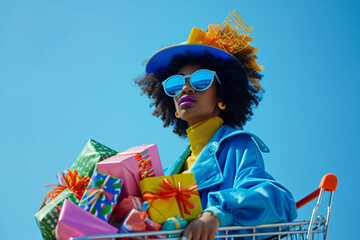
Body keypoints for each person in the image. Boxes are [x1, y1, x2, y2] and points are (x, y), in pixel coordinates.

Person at [136, 10, 297, 240]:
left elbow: (277, 201)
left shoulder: (237, 146)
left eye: (201, 80)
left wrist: (217, 213)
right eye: (175, 84)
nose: (185, 89)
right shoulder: (175, 169)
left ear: (222, 96)